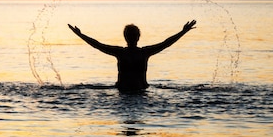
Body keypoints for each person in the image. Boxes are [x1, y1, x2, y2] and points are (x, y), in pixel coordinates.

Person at [68, 20, 197, 92]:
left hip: (124, 92)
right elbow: (166, 43)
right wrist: (183, 31)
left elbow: (97, 44)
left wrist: (80, 35)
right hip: (140, 92)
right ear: (138, 37)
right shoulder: (143, 52)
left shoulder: (122, 52)